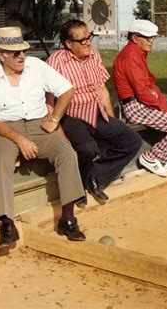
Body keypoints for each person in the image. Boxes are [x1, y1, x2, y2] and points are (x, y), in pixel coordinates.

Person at [0, 26, 87, 247]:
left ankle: (67, 218)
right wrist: (19, 139)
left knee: (67, 153)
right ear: (1, 55)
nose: (22, 56)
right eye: (15, 53)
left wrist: (55, 118)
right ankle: (7, 224)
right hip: (7, 129)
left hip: (40, 124)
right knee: (2, 160)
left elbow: (67, 90)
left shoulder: (37, 66)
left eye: (24, 51)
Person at [46, 20, 142, 205]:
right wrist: (55, 126)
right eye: (81, 40)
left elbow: (102, 90)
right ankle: (78, 188)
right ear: (68, 43)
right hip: (71, 116)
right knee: (87, 149)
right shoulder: (55, 62)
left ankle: (94, 176)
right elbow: (49, 100)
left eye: (88, 37)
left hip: (96, 112)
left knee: (132, 141)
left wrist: (113, 122)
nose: (87, 43)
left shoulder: (94, 57)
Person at [113, 20, 167, 177]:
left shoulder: (138, 53)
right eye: (148, 38)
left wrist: (163, 103)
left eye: (153, 38)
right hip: (135, 106)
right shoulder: (130, 56)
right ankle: (151, 157)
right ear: (135, 38)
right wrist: (165, 107)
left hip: (144, 102)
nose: (152, 41)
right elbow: (142, 91)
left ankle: (164, 156)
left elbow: (149, 84)